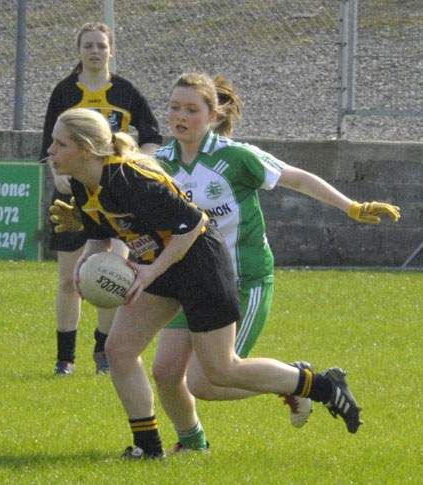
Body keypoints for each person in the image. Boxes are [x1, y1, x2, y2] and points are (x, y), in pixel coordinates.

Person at [48, 107, 370, 461]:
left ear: (88, 149)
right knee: (120, 350)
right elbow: (100, 238)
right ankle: (150, 449)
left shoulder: (127, 178)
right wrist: (86, 266)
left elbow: (192, 224)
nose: (51, 151)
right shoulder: (82, 183)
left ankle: (322, 385)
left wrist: (149, 272)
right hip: (161, 265)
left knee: (220, 370)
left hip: (200, 263)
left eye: (60, 144)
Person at [148, 72, 401, 452]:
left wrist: (351, 206)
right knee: (166, 372)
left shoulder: (235, 157)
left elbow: (297, 179)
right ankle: (193, 444)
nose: (180, 116)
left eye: (191, 109)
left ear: (213, 114)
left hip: (243, 280)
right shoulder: (160, 163)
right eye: (173, 107)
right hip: (193, 281)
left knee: (208, 381)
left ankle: (302, 381)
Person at [39, 22, 162, 375]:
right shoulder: (65, 92)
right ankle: (65, 359)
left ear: (111, 50)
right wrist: (57, 173)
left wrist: (139, 165)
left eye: (101, 46)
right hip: (73, 197)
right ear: (78, 52)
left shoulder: (126, 91)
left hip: (118, 197)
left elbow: (153, 135)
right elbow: (48, 146)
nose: (95, 51)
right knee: (69, 279)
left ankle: (103, 353)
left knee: (113, 275)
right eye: (89, 46)